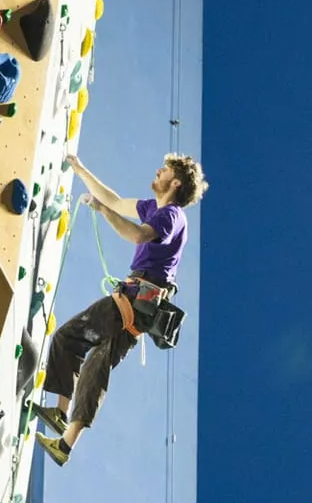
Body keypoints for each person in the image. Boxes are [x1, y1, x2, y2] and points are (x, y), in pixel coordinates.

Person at [35, 152, 205, 465]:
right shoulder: (154, 208)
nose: (158, 170)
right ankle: (61, 424)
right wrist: (80, 168)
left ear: (176, 182)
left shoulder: (171, 216)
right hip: (135, 301)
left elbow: (138, 234)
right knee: (87, 353)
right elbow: (113, 199)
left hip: (136, 301)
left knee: (81, 347)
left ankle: (64, 431)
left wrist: (101, 211)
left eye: (165, 169)